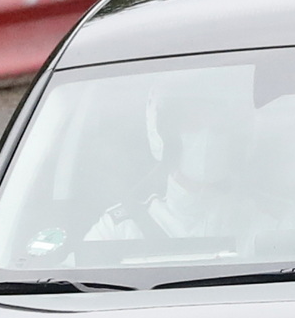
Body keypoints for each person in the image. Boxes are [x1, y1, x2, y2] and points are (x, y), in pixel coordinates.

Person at [85, 91, 265, 240]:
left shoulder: (258, 223)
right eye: (193, 125)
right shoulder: (121, 228)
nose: (206, 137)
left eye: (218, 128)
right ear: (167, 134)